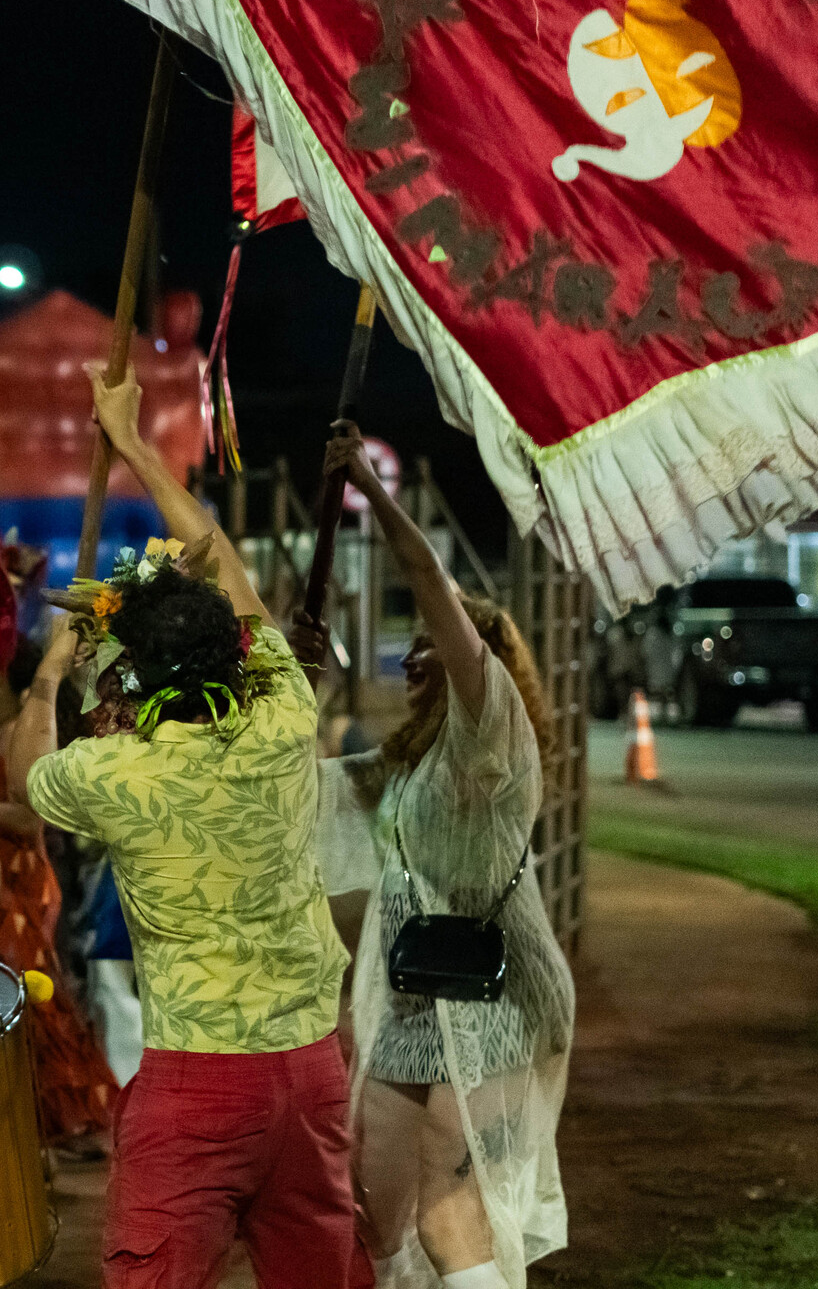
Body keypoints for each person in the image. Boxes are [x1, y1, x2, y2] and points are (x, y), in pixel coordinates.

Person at [25, 364, 355, 1289]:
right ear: (235, 656)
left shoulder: (114, 771)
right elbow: (225, 561)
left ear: (130, 673)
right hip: (312, 1068)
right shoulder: (282, 713)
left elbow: (24, 775)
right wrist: (133, 442)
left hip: (200, 1081)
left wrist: (53, 674)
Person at [322, 425, 575, 1289]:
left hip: (496, 1002)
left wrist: (368, 484)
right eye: (419, 645)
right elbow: (292, 784)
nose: (420, 651)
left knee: (449, 1216)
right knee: (374, 1208)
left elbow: (430, 582)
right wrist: (286, 672)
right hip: (409, 1006)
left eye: (444, 640)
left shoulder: (490, 734)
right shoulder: (404, 766)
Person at [0, 632, 118, 1146]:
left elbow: (29, 817)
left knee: (34, 1003)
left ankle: (70, 1123)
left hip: (17, 884)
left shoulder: (10, 737)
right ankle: (38, 1129)